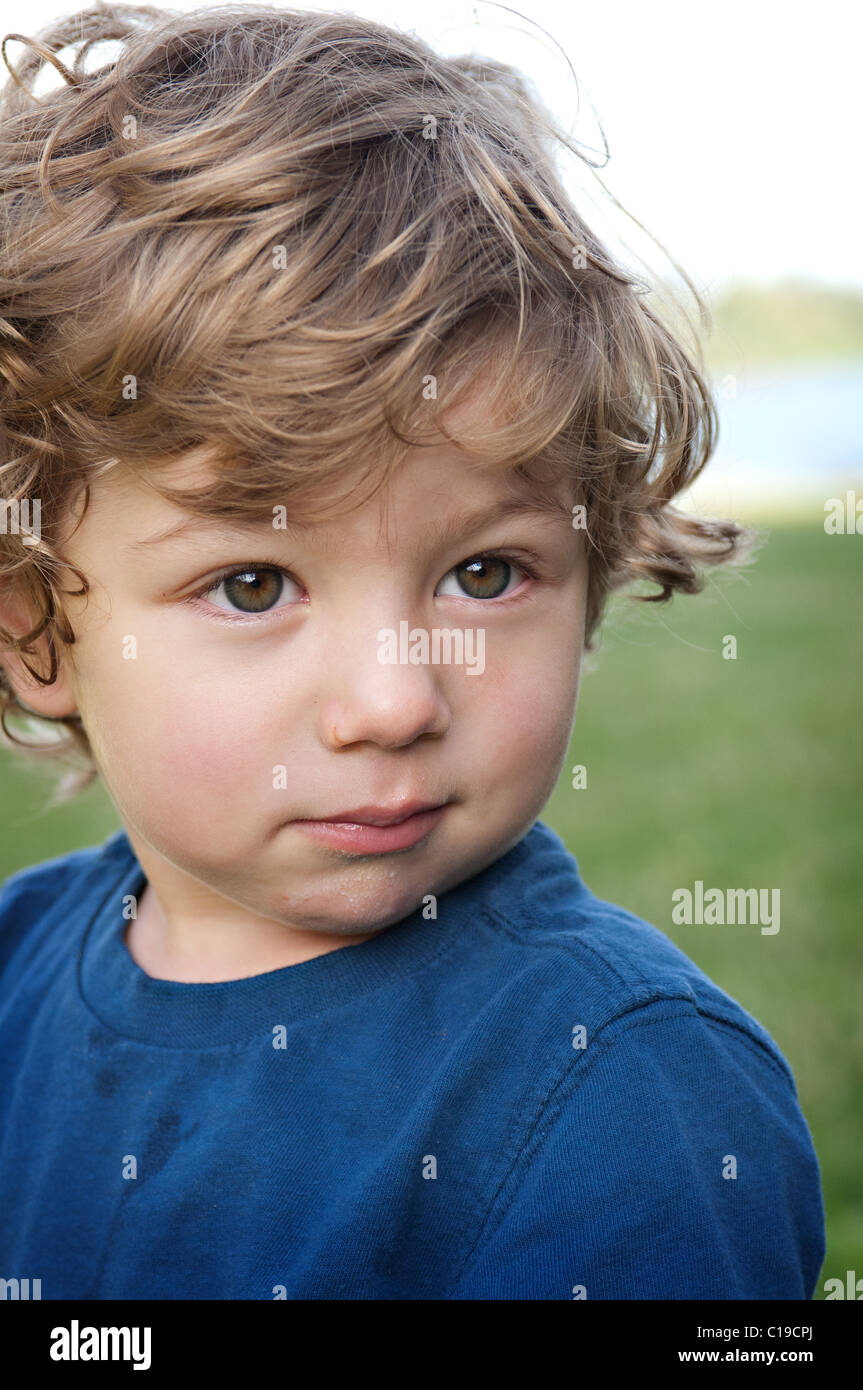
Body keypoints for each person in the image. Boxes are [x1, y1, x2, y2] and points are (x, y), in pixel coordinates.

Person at [0, 3, 824, 1299]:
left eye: (484, 573)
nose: (393, 700)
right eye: (254, 582)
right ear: (40, 629)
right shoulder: (14, 974)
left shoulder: (622, 1091)